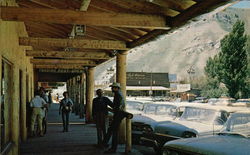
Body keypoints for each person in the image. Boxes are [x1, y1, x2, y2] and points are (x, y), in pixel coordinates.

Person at [102, 82, 133, 153]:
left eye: (113, 87)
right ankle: (106, 144)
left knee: (113, 132)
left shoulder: (118, 95)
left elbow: (117, 107)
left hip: (118, 114)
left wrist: (109, 104)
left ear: (116, 88)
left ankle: (112, 148)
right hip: (119, 114)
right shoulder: (118, 94)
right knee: (112, 131)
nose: (111, 89)